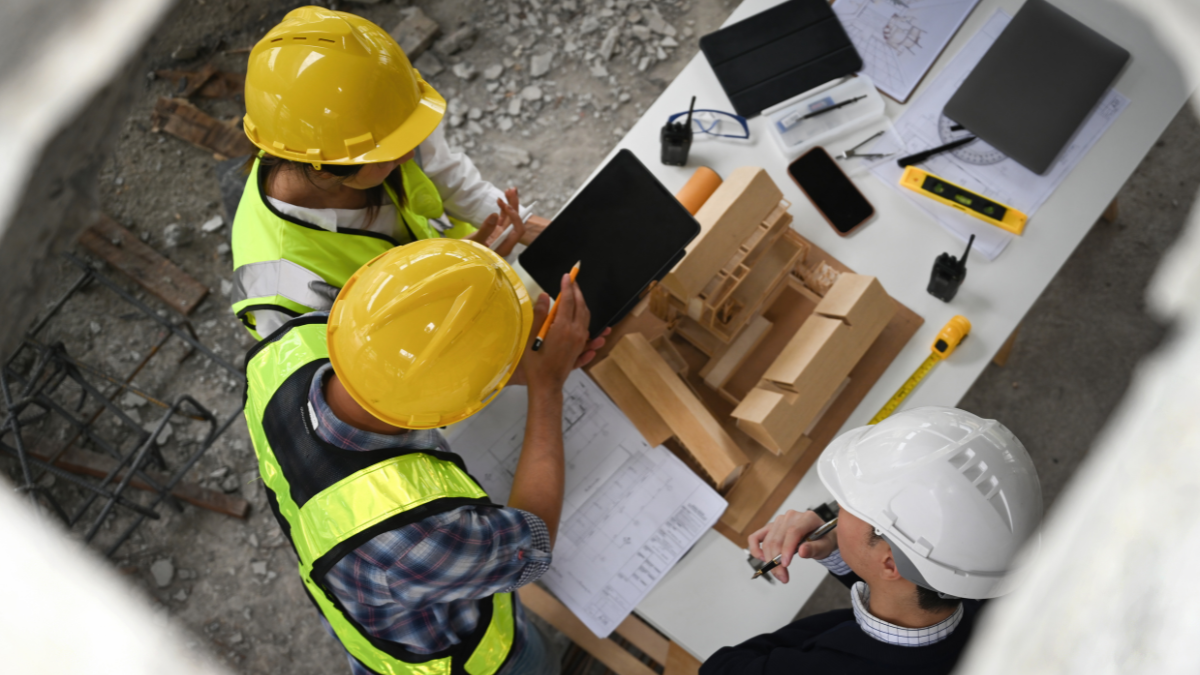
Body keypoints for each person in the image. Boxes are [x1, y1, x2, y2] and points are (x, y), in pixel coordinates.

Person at [243, 238, 608, 675]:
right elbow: (531, 544)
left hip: (355, 590)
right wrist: (546, 385)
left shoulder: (293, 347)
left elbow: (408, 352)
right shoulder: (410, 538)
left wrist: (491, 355)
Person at [231, 6, 547, 340]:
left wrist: (533, 228)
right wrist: (451, 281)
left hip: (478, 279)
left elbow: (448, 176)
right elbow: (362, 375)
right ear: (323, 171)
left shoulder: (376, 117)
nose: (410, 154)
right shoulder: (280, 288)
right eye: (388, 156)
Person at [703, 407, 1043, 675]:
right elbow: (907, 586)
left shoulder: (823, 666)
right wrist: (841, 549)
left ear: (890, 562)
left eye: (849, 507)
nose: (835, 509)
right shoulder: (983, 591)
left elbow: (720, 669)